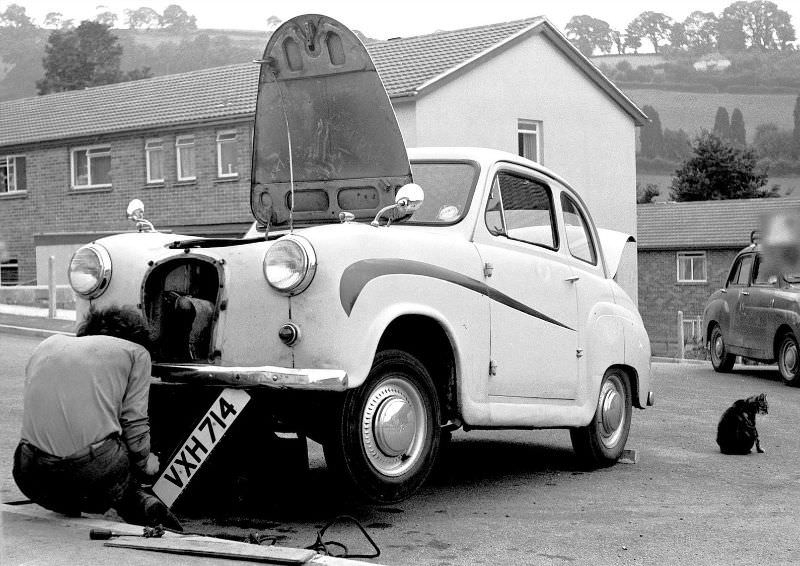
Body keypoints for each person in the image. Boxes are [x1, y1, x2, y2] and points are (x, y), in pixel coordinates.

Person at [13, 305, 182, 530]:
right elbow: (135, 426)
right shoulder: (137, 353)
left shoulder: (48, 344)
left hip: (29, 474)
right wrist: (146, 464)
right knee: (120, 455)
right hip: (92, 474)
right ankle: (140, 503)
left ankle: (69, 503)